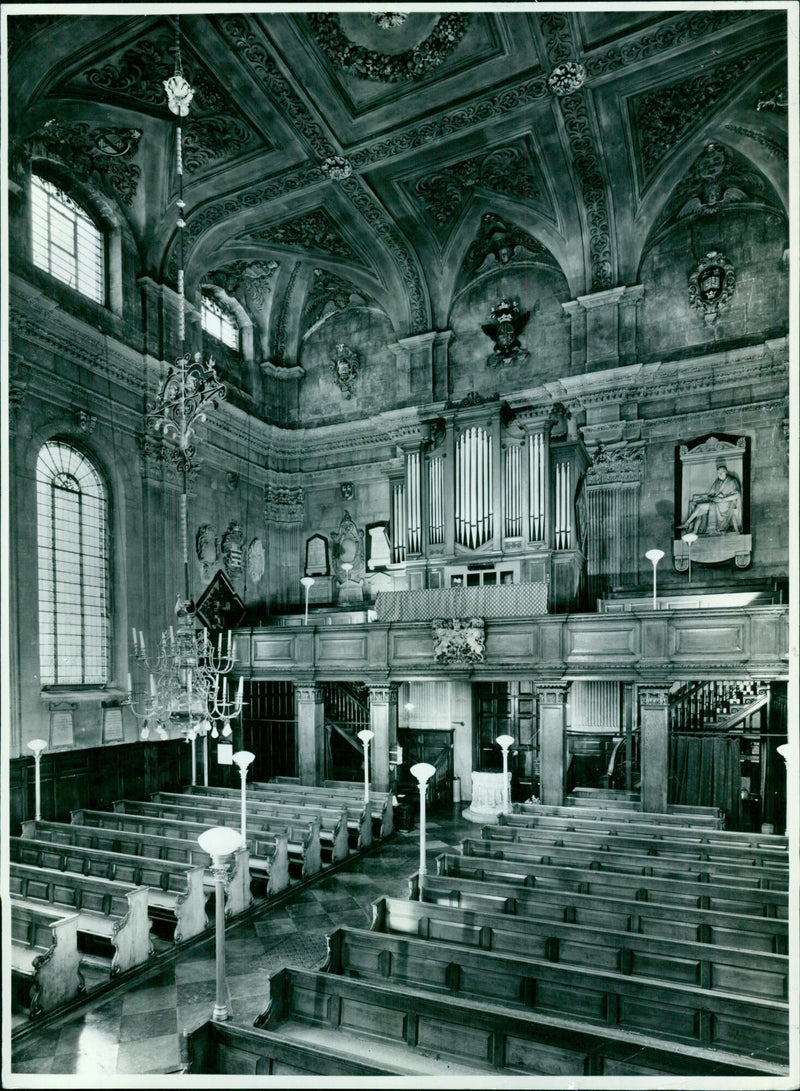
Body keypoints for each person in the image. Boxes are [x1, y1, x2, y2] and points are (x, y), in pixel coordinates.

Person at [679, 463, 742, 534]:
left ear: (726, 472)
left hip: (725, 506)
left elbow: (737, 495)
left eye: (721, 472)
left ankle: (690, 527)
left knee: (700, 507)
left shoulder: (732, 481)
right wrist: (714, 497)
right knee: (699, 506)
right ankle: (689, 526)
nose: (719, 474)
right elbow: (710, 494)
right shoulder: (717, 482)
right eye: (718, 473)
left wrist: (723, 499)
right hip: (716, 503)